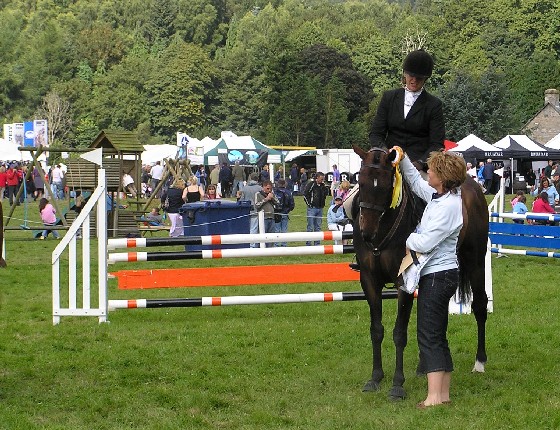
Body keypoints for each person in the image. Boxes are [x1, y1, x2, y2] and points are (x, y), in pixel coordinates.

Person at [391, 146, 466, 409]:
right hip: (439, 275)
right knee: (438, 334)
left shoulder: (448, 207)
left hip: (438, 276)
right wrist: (401, 159)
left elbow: (425, 241)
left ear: (442, 178)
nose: (428, 173)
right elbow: (415, 182)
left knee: (429, 336)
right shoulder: (441, 197)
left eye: (432, 170)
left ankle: (433, 397)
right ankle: (443, 395)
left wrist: (402, 238)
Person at [369, 49, 444, 169]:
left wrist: (420, 163)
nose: (414, 80)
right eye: (411, 76)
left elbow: (436, 144)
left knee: (428, 188)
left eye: (419, 78)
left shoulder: (434, 105)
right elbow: (376, 134)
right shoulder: (389, 97)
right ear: (405, 74)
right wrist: (385, 152)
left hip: (418, 166)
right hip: (388, 161)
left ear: (425, 79)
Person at [303, 171, 330, 246]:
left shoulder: (323, 186)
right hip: (312, 208)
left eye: (323, 179)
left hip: (320, 208)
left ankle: (317, 243)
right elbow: (305, 194)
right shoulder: (311, 185)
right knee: (310, 227)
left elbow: (326, 194)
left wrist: (325, 188)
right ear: (317, 178)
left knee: (318, 227)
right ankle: (308, 243)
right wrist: (309, 204)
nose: (322, 180)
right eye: (321, 179)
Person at [238, 173, 262, 247]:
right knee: (254, 228)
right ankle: (252, 245)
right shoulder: (260, 188)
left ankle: (250, 243)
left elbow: (242, 199)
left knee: (249, 228)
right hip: (257, 209)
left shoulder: (245, 188)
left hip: (247, 210)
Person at [254, 180, 279, 244]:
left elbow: (278, 203)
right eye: (268, 188)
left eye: (270, 189)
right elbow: (257, 205)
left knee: (271, 237)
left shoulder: (272, 194)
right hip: (263, 218)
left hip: (272, 217)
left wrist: (272, 198)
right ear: (263, 187)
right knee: (262, 236)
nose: (269, 190)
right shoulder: (258, 194)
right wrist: (266, 199)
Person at [273, 179, 295, 246]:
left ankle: (276, 244)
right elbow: (292, 204)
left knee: (276, 230)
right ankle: (284, 244)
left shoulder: (275, 192)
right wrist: (288, 210)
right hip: (285, 213)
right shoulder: (288, 192)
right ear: (285, 184)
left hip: (276, 213)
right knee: (284, 230)